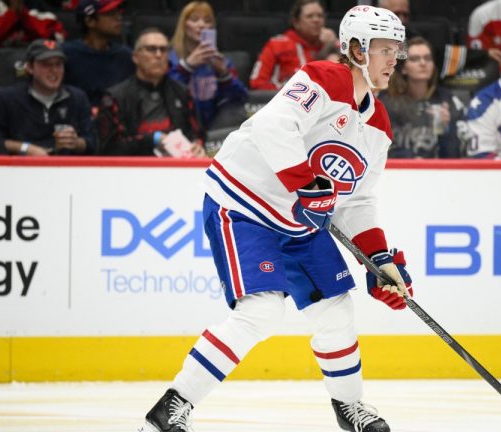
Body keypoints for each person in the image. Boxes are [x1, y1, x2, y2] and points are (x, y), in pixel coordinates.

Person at [139, 6, 413, 432]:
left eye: (397, 50)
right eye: (384, 49)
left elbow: (356, 200)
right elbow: (273, 126)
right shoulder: (323, 77)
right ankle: (169, 410)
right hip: (244, 204)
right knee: (262, 310)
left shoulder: (378, 126)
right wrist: (306, 183)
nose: (394, 59)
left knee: (337, 311)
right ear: (356, 49)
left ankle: (350, 407)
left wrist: (378, 260)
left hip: (299, 223)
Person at [95, 28, 205, 157]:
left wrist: (197, 146)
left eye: (164, 50)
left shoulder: (182, 92)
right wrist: (151, 139)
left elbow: (197, 134)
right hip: (132, 169)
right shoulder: (115, 97)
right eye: (151, 49)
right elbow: (109, 148)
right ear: (135, 57)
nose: (159, 55)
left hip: (177, 167)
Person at [0, 39, 94, 155]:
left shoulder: (77, 97)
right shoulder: (6, 98)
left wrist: (76, 143)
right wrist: (26, 148)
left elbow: (92, 143)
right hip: (18, 169)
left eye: (58, 64)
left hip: (65, 169)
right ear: (30, 68)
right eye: (46, 65)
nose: (54, 70)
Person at [380, 36, 466, 158]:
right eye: (415, 59)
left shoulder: (447, 100)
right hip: (398, 172)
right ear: (403, 68)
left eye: (428, 58)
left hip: (439, 172)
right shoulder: (387, 102)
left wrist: (447, 129)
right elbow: (381, 151)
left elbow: (456, 156)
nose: (423, 63)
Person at [168, 1, 248, 129]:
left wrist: (224, 74)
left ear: (212, 27)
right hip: (179, 125)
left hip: (214, 128)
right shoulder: (169, 58)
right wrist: (186, 67)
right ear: (184, 25)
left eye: (207, 21)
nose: (201, 25)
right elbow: (164, 94)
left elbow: (241, 98)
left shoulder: (221, 61)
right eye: (195, 20)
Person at [249, 0, 338, 90]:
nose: (316, 20)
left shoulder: (331, 44)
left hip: (323, 100)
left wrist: (331, 46)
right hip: (283, 99)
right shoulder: (277, 45)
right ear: (296, 22)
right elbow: (257, 82)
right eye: (309, 16)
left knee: (334, 58)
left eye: (320, 16)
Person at [61, 0, 135, 107]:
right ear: (90, 21)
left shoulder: (126, 56)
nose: (118, 18)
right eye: (110, 14)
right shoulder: (66, 54)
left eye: (118, 12)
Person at [0, 0, 66, 51]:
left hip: (38, 75)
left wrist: (21, 13)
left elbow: (53, 43)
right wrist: (12, 12)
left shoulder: (41, 7)